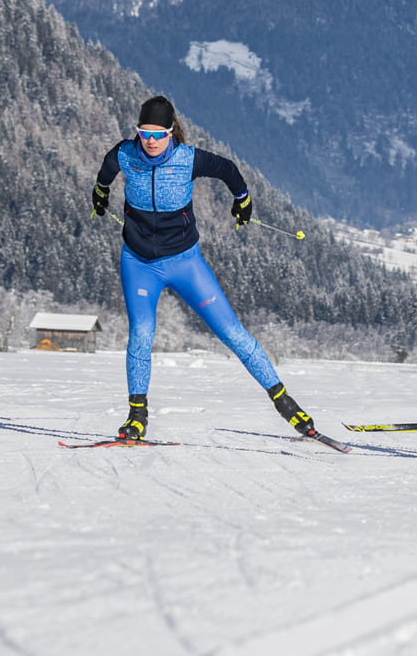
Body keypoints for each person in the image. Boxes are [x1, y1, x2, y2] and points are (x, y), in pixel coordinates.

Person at [89, 96, 315, 442]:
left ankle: (287, 405)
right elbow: (105, 173)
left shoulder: (187, 159)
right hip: (139, 264)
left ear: (170, 132)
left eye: (158, 134)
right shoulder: (125, 154)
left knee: (232, 333)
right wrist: (100, 192)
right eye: (144, 133)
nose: (150, 141)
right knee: (141, 335)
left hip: (185, 263)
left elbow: (228, 169)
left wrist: (243, 200)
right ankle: (136, 417)